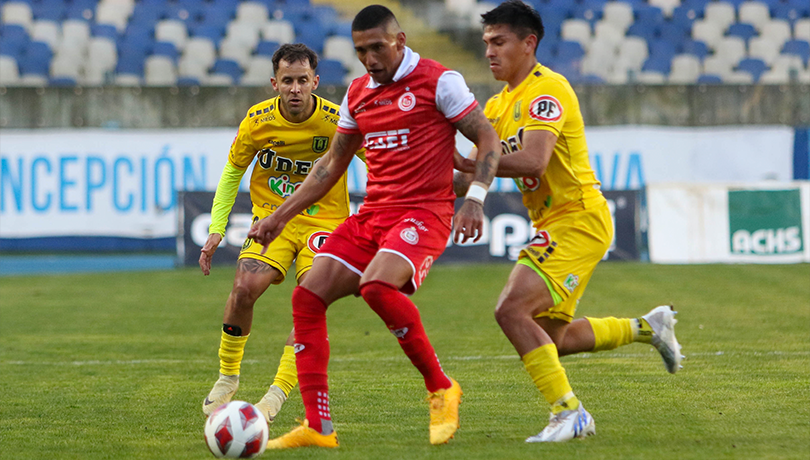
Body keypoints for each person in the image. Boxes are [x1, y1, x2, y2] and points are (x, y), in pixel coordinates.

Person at [248, 4, 501, 449]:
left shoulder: (440, 81)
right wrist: (278, 216)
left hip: (423, 213)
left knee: (377, 287)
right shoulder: (358, 92)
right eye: (361, 51)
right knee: (307, 296)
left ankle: (442, 388)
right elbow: (330, 166)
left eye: (377, 48)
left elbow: (487, 138)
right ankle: (318, 426)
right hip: (373, 215)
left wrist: (475, 198)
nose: (369, 59)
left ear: (399, 41)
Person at [454, 0, 684, 443]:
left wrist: (472, 161)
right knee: (550, 336)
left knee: (510, 310)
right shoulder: (499, 105)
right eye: (486, 43)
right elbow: (473, 173)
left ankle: (569, 412)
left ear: (529, 43)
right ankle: (647, 327)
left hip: (578, 218)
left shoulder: (548, 90)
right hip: (552, 223)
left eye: (499, 42)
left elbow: (534, 161)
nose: (489, 51)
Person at [199, 43, 363, 424]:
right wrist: (216, 229)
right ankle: (228, 376)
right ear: (274, 83)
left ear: (315, 82)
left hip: (323, 224)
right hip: (272, 220)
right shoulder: (257, 121)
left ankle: (275, 395)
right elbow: (231, 174)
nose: (295, 89)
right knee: (242, 290)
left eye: (302, 81)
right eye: (287, 81)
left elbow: (379, 161)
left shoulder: (337, 121)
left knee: (310, 304)